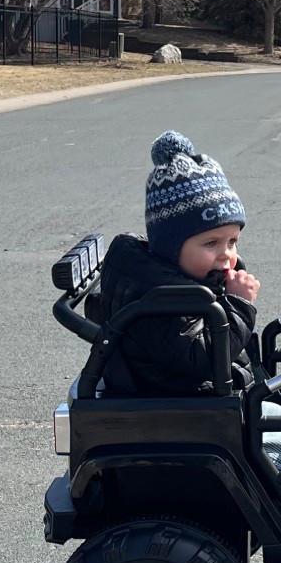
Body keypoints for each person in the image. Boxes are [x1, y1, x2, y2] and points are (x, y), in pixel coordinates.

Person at [95, 131, 260, 396]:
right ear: (170, 248)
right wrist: (239, 306)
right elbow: (205, 358)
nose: (226, 254)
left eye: (232, 241)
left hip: (213, 403)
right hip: (197, 413)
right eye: (211, 243)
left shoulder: (183, 281)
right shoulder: (158, 300)